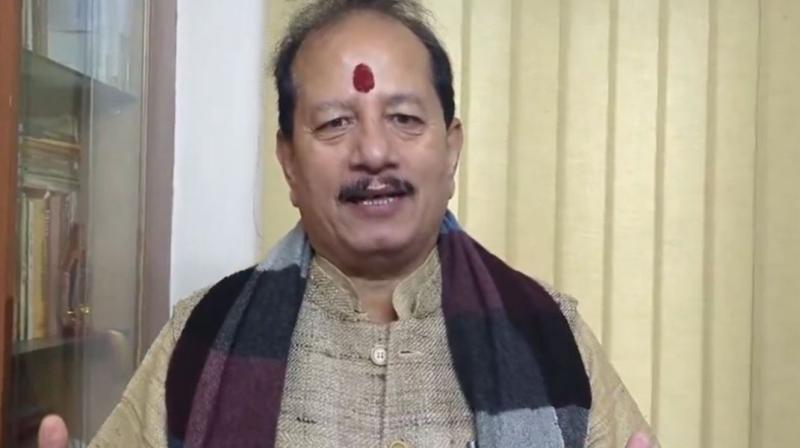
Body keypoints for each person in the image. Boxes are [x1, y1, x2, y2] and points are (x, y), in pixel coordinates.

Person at [38, 0, 659, 447]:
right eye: (335, 122)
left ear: (451, 148)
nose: (374, 152)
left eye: (405, 119)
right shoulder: (198, 338)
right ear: (288, 160)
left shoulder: (550, 333)